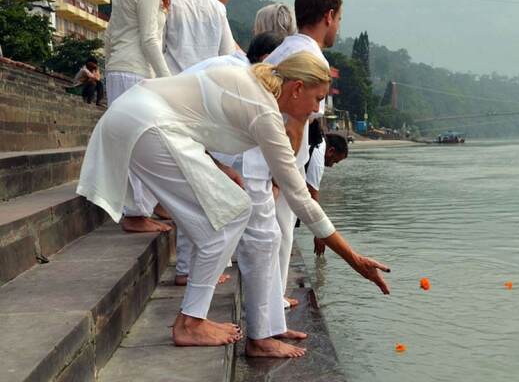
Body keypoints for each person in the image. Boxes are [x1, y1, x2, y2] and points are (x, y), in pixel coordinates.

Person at [76, 52, 390, 354]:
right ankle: (190, 322)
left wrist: (218, 166)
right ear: (297, 89)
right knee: (231, 214)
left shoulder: (251, 81)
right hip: (146, 125)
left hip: (136, 118)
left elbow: (187, 115)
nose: (317, 109)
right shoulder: (264, 111)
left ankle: (199, 318)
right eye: (318, 98)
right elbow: (301, 199)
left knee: (221, 215)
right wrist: (354, 259)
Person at [174, 31, 285, 289]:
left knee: (201, 201)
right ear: (267, 58)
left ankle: (189, 270)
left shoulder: (238, 70)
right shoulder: (240, 77)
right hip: (177, 127)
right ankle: (187, 271)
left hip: (184, 127)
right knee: (199, 202)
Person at [264, 0, 342, 309]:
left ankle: (271, 301)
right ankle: (271, 307)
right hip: (279, 154)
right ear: (328, 16)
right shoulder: (312, 60)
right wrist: (284, 175)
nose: (338, 26)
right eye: (339, 19)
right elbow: (299, 122)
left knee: (275, 232)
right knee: (279, 232)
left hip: (268, 148)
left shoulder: (284, 49)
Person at [104, 0, 173, 233]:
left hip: (119, 69)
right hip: (135, 71)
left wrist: (108, 67)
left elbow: (110, 35)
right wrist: (168, 81)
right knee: (140, 143)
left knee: (129, 143)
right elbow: (149, 39)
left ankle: (144, 206)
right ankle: (135, 213)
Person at [163, 0, 235, 75]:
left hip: (171, 79)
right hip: (204, 82)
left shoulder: (167, 1)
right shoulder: (217, 6)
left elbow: (157, 45)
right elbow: (228, 52)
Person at [306, 132, 349, 256]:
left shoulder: (316, 143)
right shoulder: (318, 153)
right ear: (331, 150)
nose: (331, 165)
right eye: (334, 161)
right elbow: (312, 197)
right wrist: (320, 234)